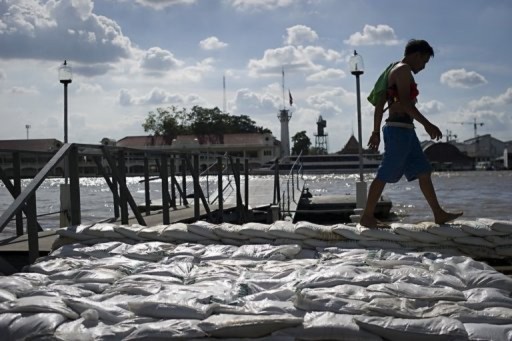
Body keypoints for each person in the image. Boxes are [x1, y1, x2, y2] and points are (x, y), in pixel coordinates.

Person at [360, 39, 463, 228]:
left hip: (406, 131)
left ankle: (438, 213)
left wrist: (376, 131)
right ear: (417, 55)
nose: (423, 67)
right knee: (385, 173)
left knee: (423, 171)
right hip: (398, 131)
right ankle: (367, 216)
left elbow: (380, 105)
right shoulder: (402, 70)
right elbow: (406, 104)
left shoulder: (392, 69)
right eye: (424, 61)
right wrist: (428, 124)